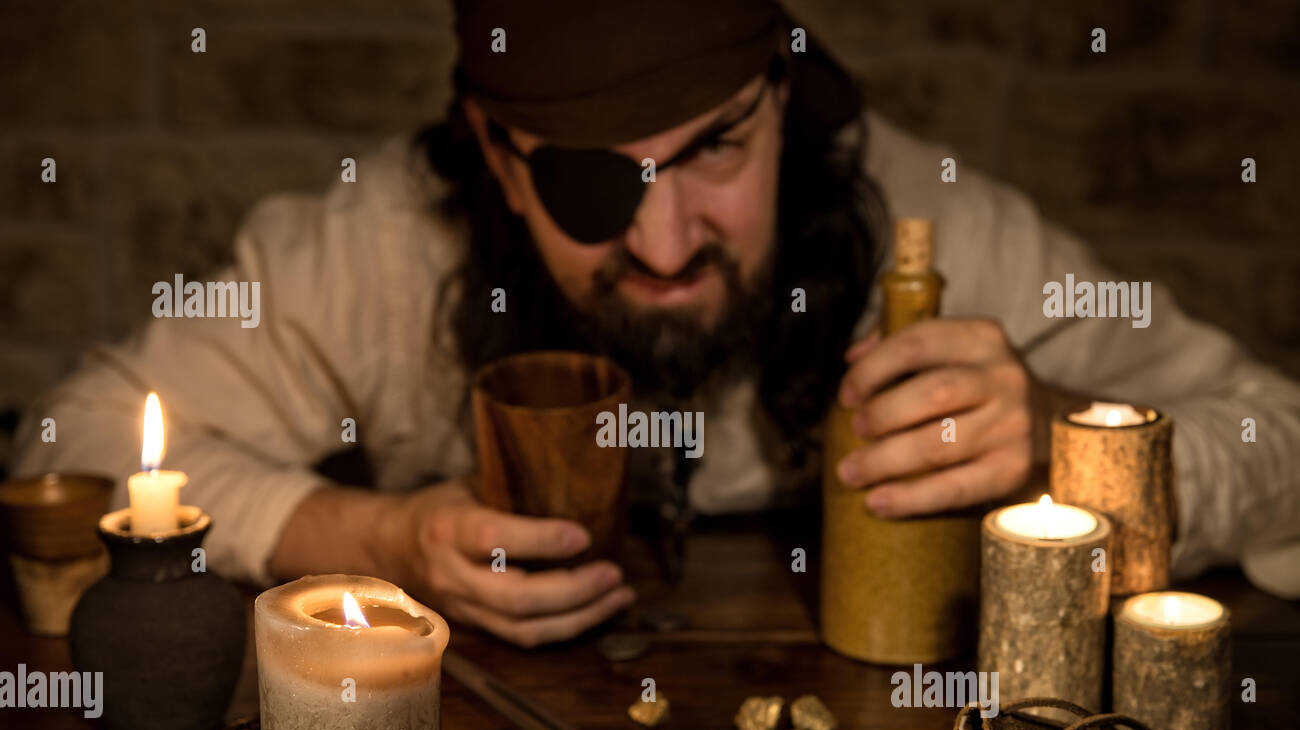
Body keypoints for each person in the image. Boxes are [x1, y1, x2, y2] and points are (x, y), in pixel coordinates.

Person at [12, 1, 1300, 646]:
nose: (668, 242)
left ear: (783, 99)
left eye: (716, 151)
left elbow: (1283, 436)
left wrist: (1074, 452)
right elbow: (64, 445)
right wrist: (374, 530)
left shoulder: (932, 220)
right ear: (497, 159)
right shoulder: (371, 242)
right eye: (588, 183)